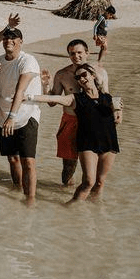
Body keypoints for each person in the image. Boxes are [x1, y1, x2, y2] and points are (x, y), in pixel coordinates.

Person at [27, 64, 121, 203]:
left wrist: (118, 112)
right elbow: (53, 99)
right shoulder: (75, 98)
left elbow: (117, 121)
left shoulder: (108, 98)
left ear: (93, 76)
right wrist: (28, 96)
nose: (82, 79)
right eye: (78, 77)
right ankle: (69, 208)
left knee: (100, 183)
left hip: (109, 142)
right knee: (88, 182)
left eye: (84, 75)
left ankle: (91, 212)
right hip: (88, 143)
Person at [43, 39, 111, 185]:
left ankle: (89, 203)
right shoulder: (62, 74)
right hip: (71, 122)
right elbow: (51, 102)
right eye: (72, 53)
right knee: (68, 167)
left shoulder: (99, 72)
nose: (76, 56)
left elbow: (107, 100)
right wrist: (45, 85)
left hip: (94, 124)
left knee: (97, 173)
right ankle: (63, 197)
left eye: (79, 53)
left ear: (87, 53)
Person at [0, 26, 41, 206]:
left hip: (26, 115)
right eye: (6, 38)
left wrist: (12, 115)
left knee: (28, 161)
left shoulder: (28, 60)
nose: (9, 40)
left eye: (14, 38)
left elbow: (21, 89)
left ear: (21, 41)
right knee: (12, 159)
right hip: (4, 116)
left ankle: (30, 200)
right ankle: (18, 190)